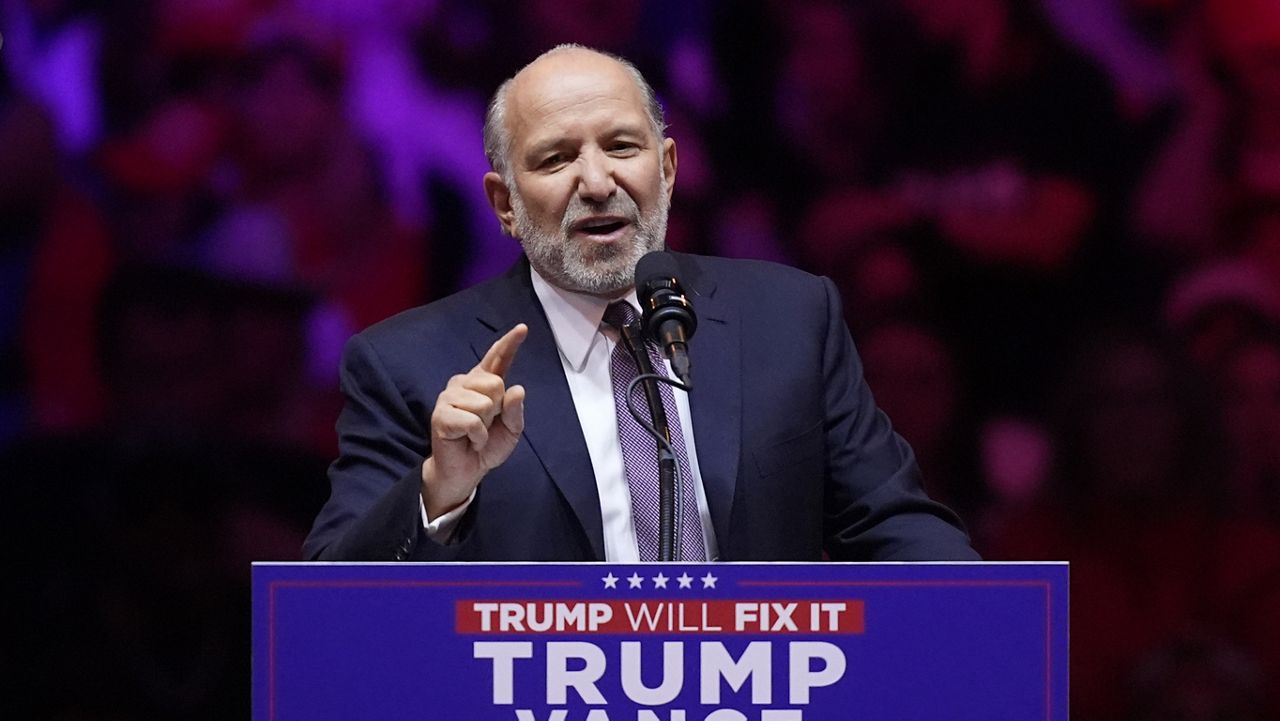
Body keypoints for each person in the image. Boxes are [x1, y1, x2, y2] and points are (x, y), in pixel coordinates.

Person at [303, 44, 978, 562]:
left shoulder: (789, 319)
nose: (597, 182)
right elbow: (329, 609)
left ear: (669, 169)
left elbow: (894, 525)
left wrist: (993, 622)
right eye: (555, 158)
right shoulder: (409, 364)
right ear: (504, 204)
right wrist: (438, 489)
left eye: (622, 147)